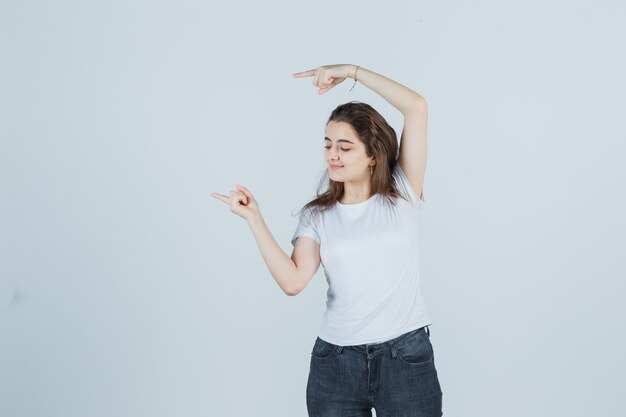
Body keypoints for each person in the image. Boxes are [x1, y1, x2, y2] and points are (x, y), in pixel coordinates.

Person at [211, 64, 443, 417]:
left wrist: (352, 71)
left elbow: (417, 106)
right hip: (335, 364)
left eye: (345, 147)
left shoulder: (403, 191)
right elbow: (292, 281)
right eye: (328, 144)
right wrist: (254, 220)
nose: (332, 155)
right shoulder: (317, 215)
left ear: (373, 156)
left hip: (405, 358)